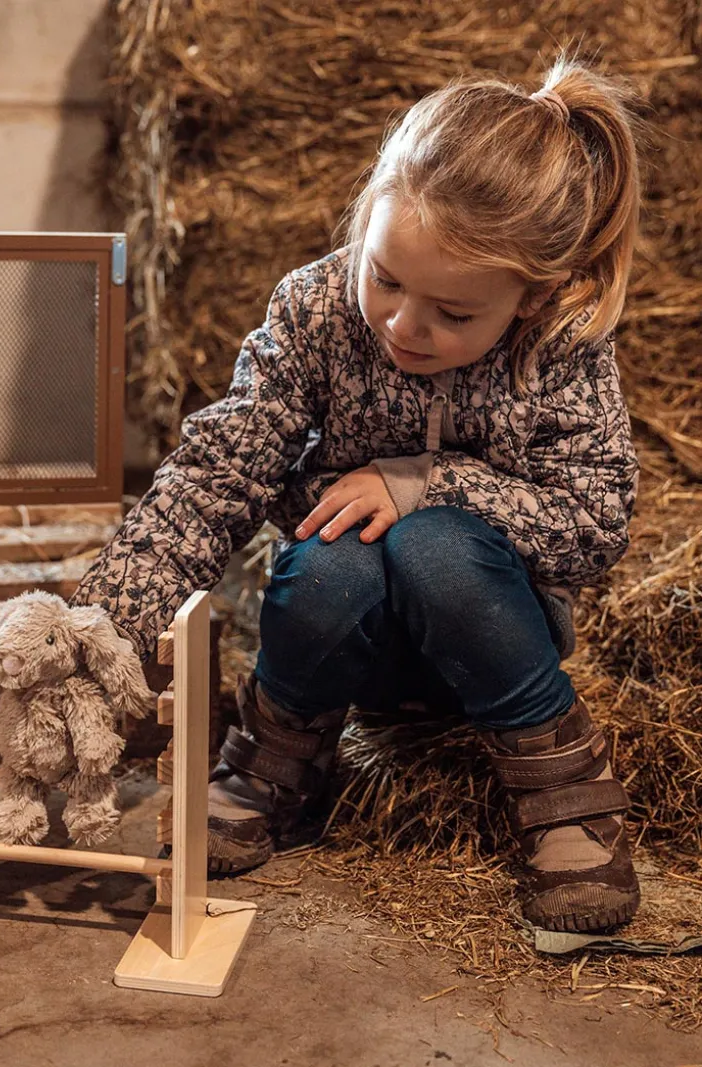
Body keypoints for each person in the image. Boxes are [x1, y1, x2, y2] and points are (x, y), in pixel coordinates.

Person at [68, 55, 644, 933]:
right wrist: (103, 623)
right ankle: (274, 757)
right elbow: (220, 467)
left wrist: (426, 483)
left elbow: (596, 522)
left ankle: (563, 786)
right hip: (339, 636)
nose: (406, 326)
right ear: (367, 214)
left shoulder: (561, 344)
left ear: (532, 297)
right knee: (337, 547)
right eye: (385, 277)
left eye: (455, 314)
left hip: (492, 638)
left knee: (434, 542)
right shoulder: (314, 310)